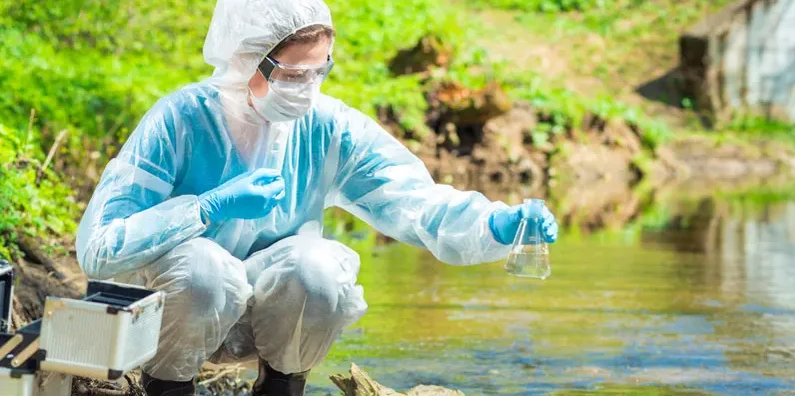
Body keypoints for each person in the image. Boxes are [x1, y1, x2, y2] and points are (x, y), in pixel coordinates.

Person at [73, 0, 558, 395]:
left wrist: (498, 225)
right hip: (173, 315)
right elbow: (99, 247)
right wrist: (203, 210)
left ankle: (282, 386)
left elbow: (412, 200)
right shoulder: (180, 120)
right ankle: (168, 388)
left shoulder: (327, 127)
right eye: (292, 74)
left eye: (318, 71)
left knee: (316, 267)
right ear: (247, 58)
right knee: (203, 269)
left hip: (264, 319)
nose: (307, 89)